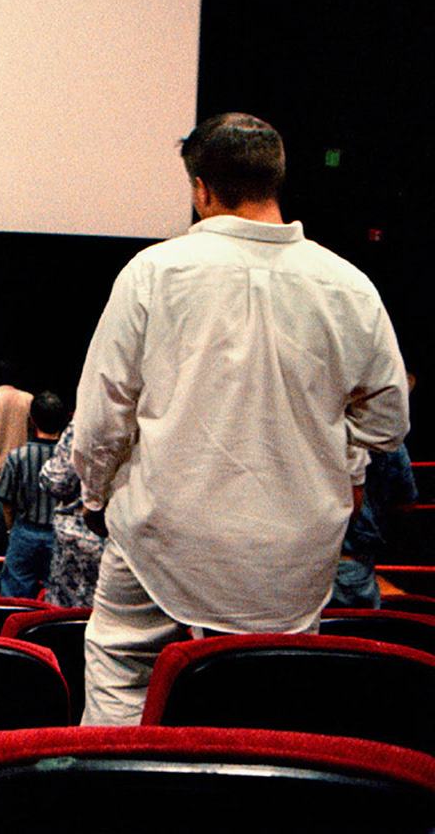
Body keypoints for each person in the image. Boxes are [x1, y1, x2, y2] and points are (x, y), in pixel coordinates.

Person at [72, 113, 409, 726]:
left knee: (124, 676)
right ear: (276, 182)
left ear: (201, 188)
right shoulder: (350, 286)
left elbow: (102, 415)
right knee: (267, 700)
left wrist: (96, 497)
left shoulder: (153, 271)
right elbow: (388, 420)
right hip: (292, 552)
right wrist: (348, 467)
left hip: (162, 534)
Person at [0, 390, 66, 600]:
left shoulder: (17, 457)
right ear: (64, 421)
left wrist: (11, 531)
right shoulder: (71, 458)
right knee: (60, 599)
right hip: (61, 534)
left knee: (13, 598)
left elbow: (7, 503)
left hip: (25, 532)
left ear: (32, 420)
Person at [333, 447, 418, 608]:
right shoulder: (383, 435)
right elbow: (405, 503)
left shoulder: (299, 434)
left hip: (300, 560)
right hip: (352, 564)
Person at [37, 419, 104, 609]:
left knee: (68, 623)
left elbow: (58, 480)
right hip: (140, 541)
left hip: (84, 538)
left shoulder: (89, 418)